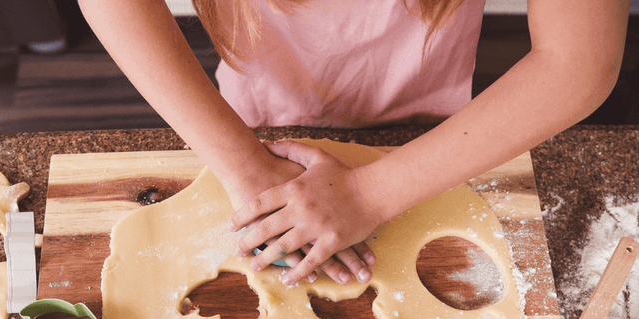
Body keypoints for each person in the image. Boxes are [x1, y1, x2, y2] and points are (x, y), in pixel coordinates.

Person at [78, 0, 629, 287]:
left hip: (431, 128)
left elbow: (576, 63)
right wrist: (241, 162)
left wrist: (371, 194)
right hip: (256, 117)